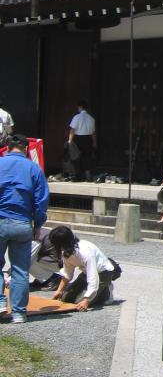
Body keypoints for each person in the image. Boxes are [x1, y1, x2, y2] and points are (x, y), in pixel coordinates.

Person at [0, 133, 49, 323]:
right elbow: (41, 201)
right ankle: (19, 313)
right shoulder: (33, 168)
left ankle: (0, 303)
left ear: (7, 147)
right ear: (26, 148)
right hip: (22, 223)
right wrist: (38, 224)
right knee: (20, 269)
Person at [48, 226, 116, 310]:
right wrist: (59, 290)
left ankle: (106, 291)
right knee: (65, 298)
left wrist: (87, 300)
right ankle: (97, 291)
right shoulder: (67, 252)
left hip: (103, 273)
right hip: (85, 273)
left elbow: (93, 277)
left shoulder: (85, 252)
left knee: (79, 303)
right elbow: (67, 272)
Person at [68, 100, 96, 180]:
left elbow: (72, 130)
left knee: (77, 157)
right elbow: (93, 133)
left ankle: (78, 175)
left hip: (78, 139)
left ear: (80, 107)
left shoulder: (77, 117)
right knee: (87, 157)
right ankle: (88, 175)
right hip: (88, 139)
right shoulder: (91, 118)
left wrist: (70, 141)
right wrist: (94, 143)